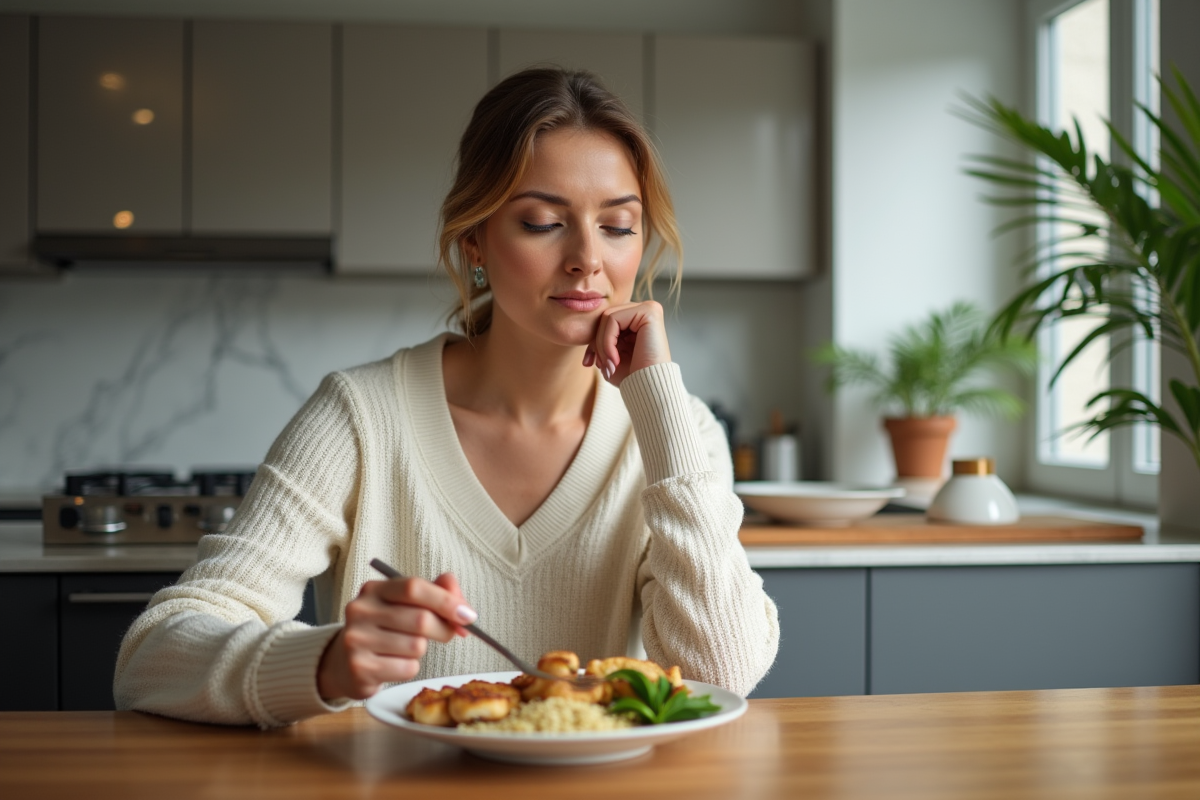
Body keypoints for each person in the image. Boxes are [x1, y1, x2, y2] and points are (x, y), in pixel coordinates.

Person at [114, 68, 780, 727]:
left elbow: (720, 673)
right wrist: (325, 662)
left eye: (617, 226)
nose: (586, 258)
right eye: (544, 222)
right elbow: (150, 659)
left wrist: (658, 404)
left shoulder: (675, 431)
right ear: (476, 242)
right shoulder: (361, 417)